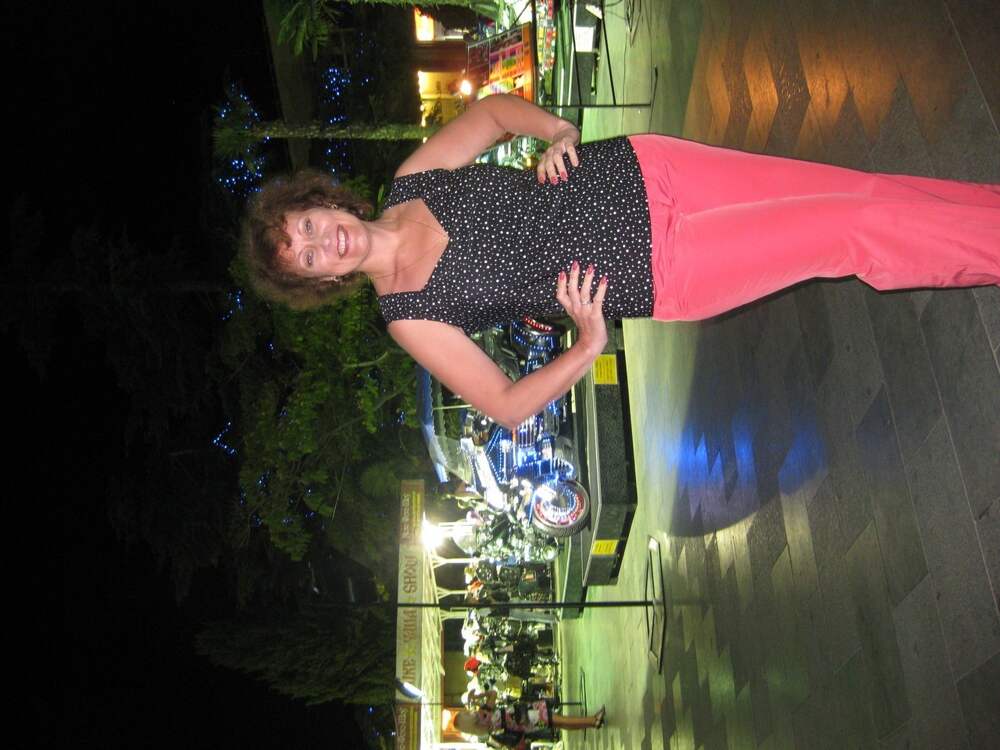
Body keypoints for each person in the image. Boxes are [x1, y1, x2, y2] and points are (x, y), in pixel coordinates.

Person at [242, 94, 1000, 428]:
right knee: (848, 229)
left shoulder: (413, 179)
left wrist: (556, 132)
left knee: (849, 191)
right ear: (322, 280)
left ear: (325, 202)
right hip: (657, 266)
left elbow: (495, 113)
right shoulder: (408, 314)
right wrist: (588, 345)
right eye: (307, 257)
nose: (322, 242)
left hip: (641, 170)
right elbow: (505, 404)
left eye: (310, 225)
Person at [452, 690, 605, 748]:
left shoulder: (483, 729)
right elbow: (493, 694)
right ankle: (593, 720)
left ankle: (592, 724)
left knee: (559, 723)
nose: (467, 713)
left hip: (525, 722)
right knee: (559, 720)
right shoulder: (483, 714)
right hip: (526, 716)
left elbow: (493, 694)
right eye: (465, 715)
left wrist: (478, 698)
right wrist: (478, 697)